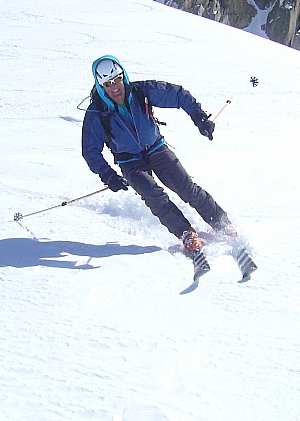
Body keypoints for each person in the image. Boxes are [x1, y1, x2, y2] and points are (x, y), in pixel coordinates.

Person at [81, 54, 234, 275]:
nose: (115, 88)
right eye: (107, 84)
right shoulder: (97, 113)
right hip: (130, 161)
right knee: (154, 196)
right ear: (100, 85)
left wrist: (199, 118)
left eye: (117, 80)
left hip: (156, 148)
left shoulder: (141, 91)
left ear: (123, 75)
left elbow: (179, 95)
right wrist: (108, 175)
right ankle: (186, 233)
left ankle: (222, 223)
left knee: (186, 188)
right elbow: (90, 151)